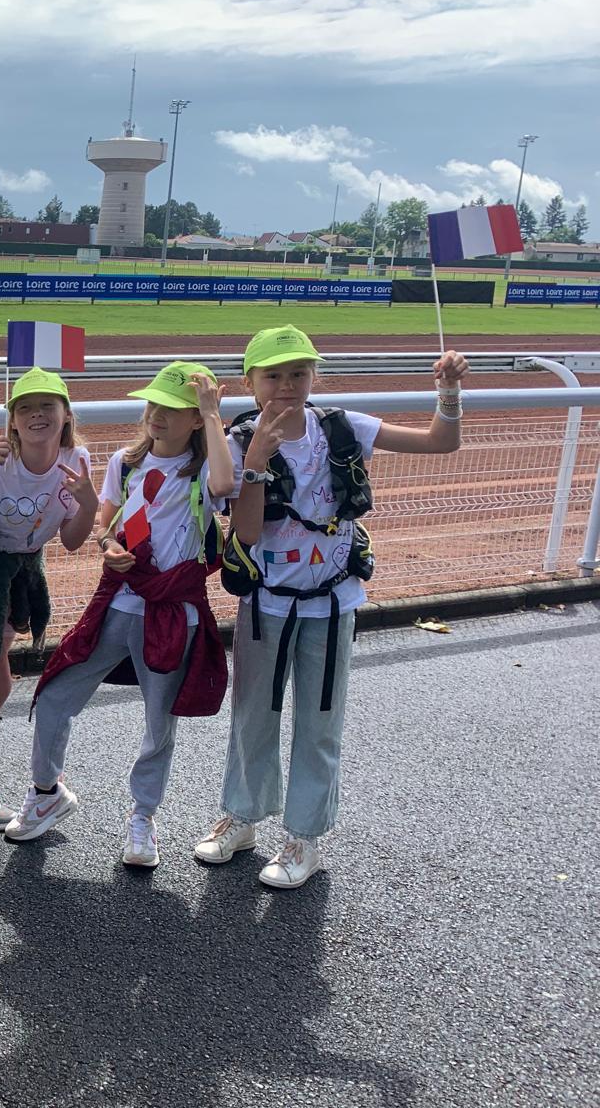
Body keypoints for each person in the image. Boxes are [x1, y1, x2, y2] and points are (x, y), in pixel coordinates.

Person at [195, 327, 469, 888]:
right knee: (253, 717)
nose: (287, 385)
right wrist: (260, 460)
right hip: (267, 602)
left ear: (314, 378)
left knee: (319, 725)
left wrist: (448, 393)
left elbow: (440, 443)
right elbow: (245, 531)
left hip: (332, 602)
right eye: (273, 374)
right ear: (249, 382)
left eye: (299, 373)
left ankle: (304, 836)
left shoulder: (342, 428)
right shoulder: (238, 440)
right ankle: (243, 818)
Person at [12, 362, 233, 865]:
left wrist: (213, 414)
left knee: (159, 723)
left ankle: (142, 820)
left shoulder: (202, 467)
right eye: (153, 405)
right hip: (117, 601)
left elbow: (224, 484)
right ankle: (45, 791)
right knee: (54, 693)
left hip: (175, 612)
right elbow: (104, 526)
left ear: (195, 419)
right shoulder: (125, 463)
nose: (156, 416)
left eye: (173, 410)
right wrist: (110, 545)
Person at [0, 367, 97, 830]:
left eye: (47, 405)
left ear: (66, 415)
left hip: (22, 567)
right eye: (25, 407)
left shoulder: (76, 460)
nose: (37, 415)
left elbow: (70, 540)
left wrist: (86, 503)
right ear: (12, 421)